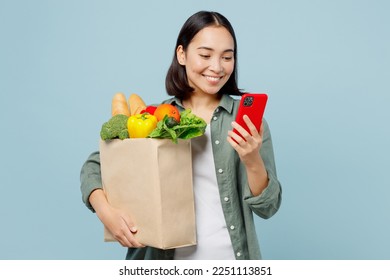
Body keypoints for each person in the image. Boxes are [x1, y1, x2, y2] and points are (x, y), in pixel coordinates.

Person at [80, 10, 282, 260]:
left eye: (227, 57)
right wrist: (106, 212)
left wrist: (252, 160)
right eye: (205, 55)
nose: (217, 67)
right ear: (182, 54)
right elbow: (94, 166)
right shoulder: (154, 118)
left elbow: (268, 207)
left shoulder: (247, 122)